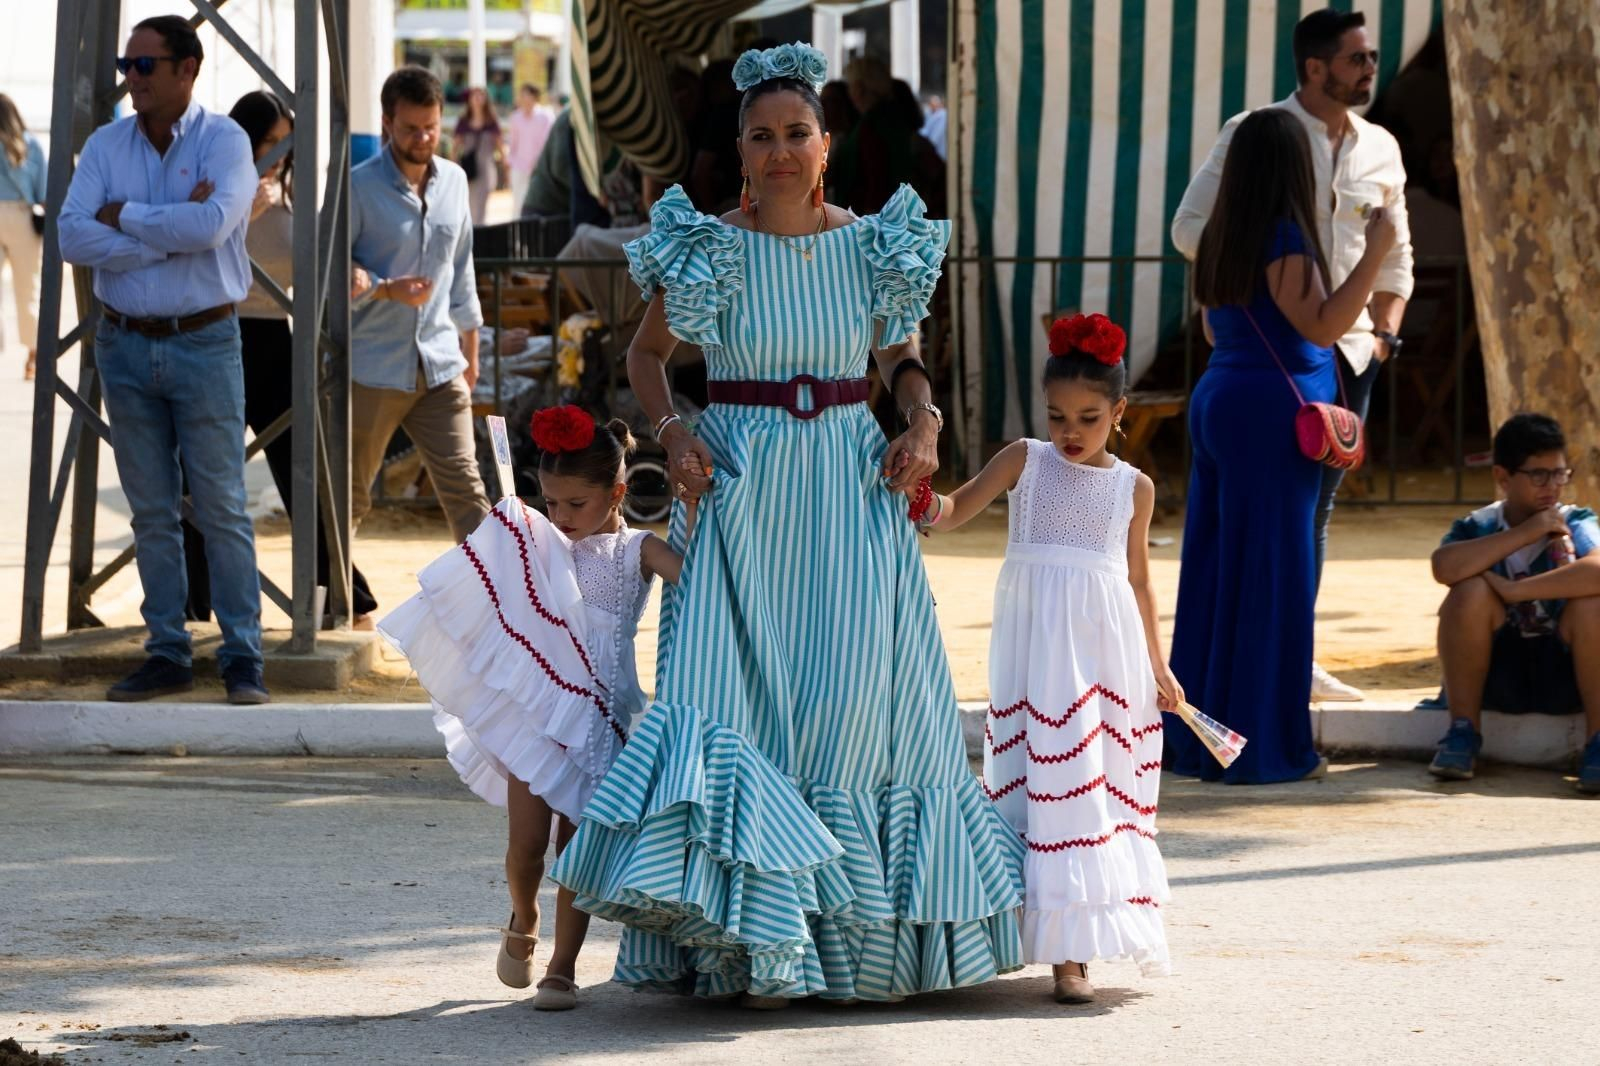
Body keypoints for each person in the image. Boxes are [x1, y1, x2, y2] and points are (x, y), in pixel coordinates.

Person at [549, 43, 1025, 1006]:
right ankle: (743, 943)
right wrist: (675, 432)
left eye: (796, 133)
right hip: (742, 491)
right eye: (761, 136)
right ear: (738, 147)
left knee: (853, 710)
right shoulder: (707, 246)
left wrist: (926, 421)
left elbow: (901, 359)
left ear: (826, 141)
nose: (779, 151)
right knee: (735, 707)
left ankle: (846, 946)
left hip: (851, 490)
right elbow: (647, 359)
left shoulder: (872, 243)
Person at [380, 407, 693, 1010]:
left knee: (574, 848)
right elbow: (486, 582)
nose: (562, 516)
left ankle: (563, 966)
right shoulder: (535, 542)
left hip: (602, 724)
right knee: (527, 845)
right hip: (536, 717)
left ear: (617, 493)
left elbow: (701, 579)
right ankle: (522, 918)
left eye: (576, 503)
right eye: (551, 502)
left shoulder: (637, 551)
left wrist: (696, 507)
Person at [916, 312, 1178, 1003]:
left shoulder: (1134, 487)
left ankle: (1075, 954)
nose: (1070, 431)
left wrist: (1160, 665)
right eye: (1058, 414)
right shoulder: (1023, 461)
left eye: (1089, 418)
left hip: (1105, 655)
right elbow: (953, 509)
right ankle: (1017, 938)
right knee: (1040, 784)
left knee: (1090, 787)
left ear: (1119, 412)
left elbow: (1141, 580)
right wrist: (914, 495)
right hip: (1036, 655)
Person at [1172, 8, 1414, 703]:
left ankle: (1288, 651)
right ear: (1315, 67)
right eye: (1357, 58)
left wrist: (1384, 334)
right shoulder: (1259, 135)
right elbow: (1191, 228)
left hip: (1350, 351)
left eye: (1370, 56)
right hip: (1277, 348)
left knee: (1313, 511)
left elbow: (1398, 259)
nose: (1371, 68)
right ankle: (1269, 668)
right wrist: (1265, 262)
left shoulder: (1382, 147)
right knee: (1263, 520)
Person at [57, 16, 267, 704]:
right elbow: (69, 235)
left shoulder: (226, 140)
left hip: (204, 340)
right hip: (123, 341)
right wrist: (163, 229)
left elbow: (212, 228)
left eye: (145, 65)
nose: (131, 78)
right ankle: (168, 650)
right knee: (151, 510)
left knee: (221, 506)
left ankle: (242, 656)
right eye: (127, 64)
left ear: (189, 68)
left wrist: (125, 216)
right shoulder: (105, 143)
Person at [179, 91, 380, 628]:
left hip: (273, 341)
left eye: (286, 142)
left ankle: (343, 596)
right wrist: (244, 207)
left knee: (302, 470)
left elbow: (303, 265)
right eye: (271, 142)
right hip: (215, 333)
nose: (281, 153)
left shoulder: (288, 190)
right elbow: (189, 248)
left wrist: (345, 276)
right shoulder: (215, 184)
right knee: (200, 477)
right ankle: (191, 604)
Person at [349, 66, 491, 546]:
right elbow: (327, 278)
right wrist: (384, 289)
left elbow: (462, 267)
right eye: (412, 128)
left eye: (431, 126)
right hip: (372, 368)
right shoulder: (357, 187)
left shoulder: (454, 180)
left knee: (469, 495)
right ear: (387, 122)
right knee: (349, 497)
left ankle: (497, 610)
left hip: (441, 364)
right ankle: (334, 605)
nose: (424, 136)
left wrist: (471, 349)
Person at [1428, 414, 1600, 793]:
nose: (1552, 486)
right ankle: (1462, 734)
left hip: (1565, 676)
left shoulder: (1576, 520)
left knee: (1593, 604)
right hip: (1498, 677)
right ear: (1503, 478)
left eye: (1559, 474)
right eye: (1538, 475)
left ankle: (1598, 743)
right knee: (1467, 591)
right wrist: (1527, 532)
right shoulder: (1480, 525)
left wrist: (1515, 591)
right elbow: (1444, 567)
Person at [829, 57, 920, 216]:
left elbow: (876, 181)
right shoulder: (894, 120)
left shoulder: (871, 125)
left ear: (859, 88)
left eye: (850, 86)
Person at [0, 92, 46, 381]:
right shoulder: (30, 145)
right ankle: (33, 355)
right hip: (21, 216)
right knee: (27, 289)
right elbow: (44, 192)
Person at [454, 87, 502, 226]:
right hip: (468, 170)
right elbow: (456, 146)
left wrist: (505, 166)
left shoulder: (491, 121)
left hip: (486, 169)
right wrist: (454, 164)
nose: (477, 99)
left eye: (481, 96)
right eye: (474, 96)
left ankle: (478, 233)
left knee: (481, 207)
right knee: (468, 206)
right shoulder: (464, 121)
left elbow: (499, 145)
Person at [505, 84, 552, 216]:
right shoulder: (515, 117)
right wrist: (510, 163)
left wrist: (540, 163)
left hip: (539, 168)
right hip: (519, 167)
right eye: (522, 95)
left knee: (537, 203)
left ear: (534, 97)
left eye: (526, 95)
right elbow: (512, 142)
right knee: (517, 203)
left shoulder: (546, 117)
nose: (523, 98)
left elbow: (547, 143)